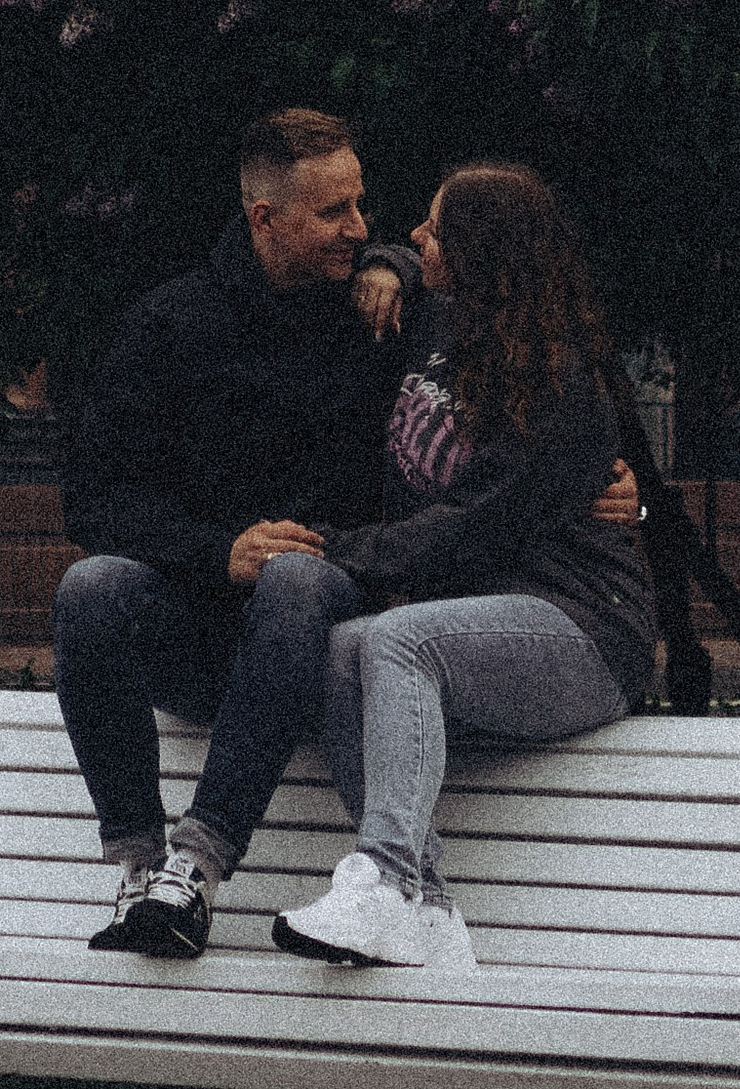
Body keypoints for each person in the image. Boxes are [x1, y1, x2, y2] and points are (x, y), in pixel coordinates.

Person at [54, 109, 638, 962]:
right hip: (216, 624)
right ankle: (144, 866)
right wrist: (217, 550)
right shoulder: (172, 326)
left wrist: (614, 487)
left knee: (304, 585)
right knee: (92, 588)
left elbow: (506, 452)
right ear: (266, 219)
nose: (363, 230)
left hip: (330, 611)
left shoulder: (382, 321)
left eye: (366, 207)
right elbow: (96, 500)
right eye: (336, 214)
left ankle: (204, 869)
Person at [274, 163, 657, 974]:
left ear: (481, 249)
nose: (417, 235)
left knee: (396, 642)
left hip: (584, 629)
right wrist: (391, 266)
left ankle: (383, 878)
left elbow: (470, 527)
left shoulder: (558, 376)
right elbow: (394, 256)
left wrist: (329, 546)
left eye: (437, 228)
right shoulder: (440, 327)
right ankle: (431, 914)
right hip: (486, 625)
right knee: (346, 649)